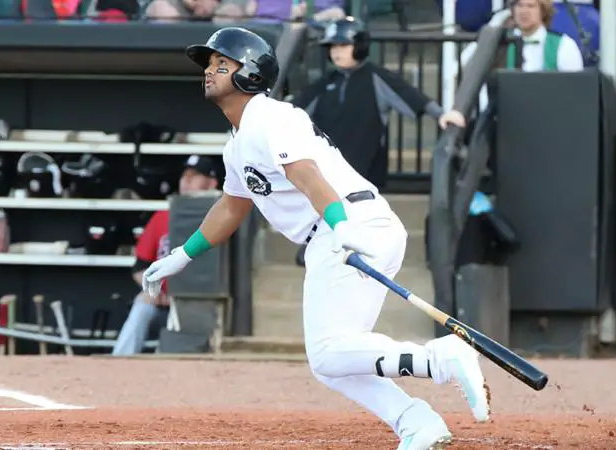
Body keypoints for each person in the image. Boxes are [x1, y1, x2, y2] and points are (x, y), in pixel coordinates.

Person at [141, 27, 490, 449]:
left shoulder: (273, 117)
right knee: (332, 361)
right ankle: (417, 420)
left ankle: (440, 359)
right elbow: (233, 206)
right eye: (209, 65)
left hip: (348, 223)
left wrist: (341, 228)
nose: (209, 72)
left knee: (328, 353)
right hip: (340, 227)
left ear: (249, 73)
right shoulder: (238, 143)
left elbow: (307, 176)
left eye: (221, 64)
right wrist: (183, 254)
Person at [291, 17, 465, 191]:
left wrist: (441, 114)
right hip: (327, 171)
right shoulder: (324, 83)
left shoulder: (376, 77)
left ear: (360, 46)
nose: (337, 52)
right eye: (333, 47)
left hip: (365, 174)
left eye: (344, 45)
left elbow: (411, 95)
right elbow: (293, 108)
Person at [111, 154, 222, 356]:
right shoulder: (163, 216)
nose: (186, 181)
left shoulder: (221, 220)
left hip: (201, 302)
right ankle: (120, 360)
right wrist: (155, 290)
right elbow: (139, 266)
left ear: (212, 182)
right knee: (142, 303)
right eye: (184, 176)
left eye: (194, 176)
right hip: (162, 299)